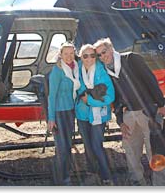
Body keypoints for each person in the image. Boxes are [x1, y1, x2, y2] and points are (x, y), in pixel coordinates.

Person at [93, 37, 165, 186]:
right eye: (99, 55)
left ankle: (159, 183)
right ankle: (137, 181)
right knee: (131, 149)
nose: (103, 56)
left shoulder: (131, 59)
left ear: (111, 48)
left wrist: (161, 104)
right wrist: (120, 120)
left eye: (104, 51)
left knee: (153, 149)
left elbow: (150, 80)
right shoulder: (107, 72)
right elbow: (115, 98)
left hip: (147, 112)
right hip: (128, 115)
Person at [75, 44, 115, 186]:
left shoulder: (100, 71)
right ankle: (92, 173)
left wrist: (90, 101)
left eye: (93, 55)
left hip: (98, 116)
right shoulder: (77, 70)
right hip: (82, 115)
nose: (89, 59)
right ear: (81, 57)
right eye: (85, 56)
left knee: (96, 145)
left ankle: (106, 177)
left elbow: (110, 96)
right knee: (87, 146)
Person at [47, 41, 81, 186]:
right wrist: (51, 118)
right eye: (65, 54)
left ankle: (64, 175)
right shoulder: (58, 70)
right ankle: (63, 180)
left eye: (71, 53)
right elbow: (52, 95)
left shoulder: (75, 68)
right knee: (62, 147)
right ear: (60, 55)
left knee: (67, 145)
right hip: (60, 113)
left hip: (70, 111)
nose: (68, 56)